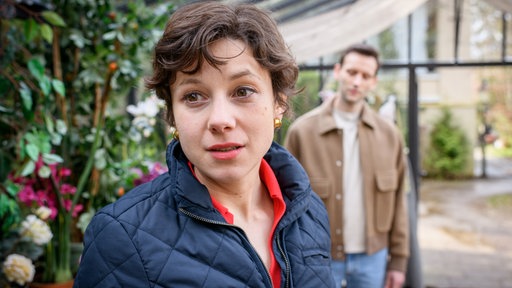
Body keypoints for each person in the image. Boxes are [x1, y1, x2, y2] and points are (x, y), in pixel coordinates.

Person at [73, 2, 334, 287]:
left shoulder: (307, 210)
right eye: (194, 96)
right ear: (172, 114)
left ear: (278, 103)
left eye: (243, 91)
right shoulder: (121, 238)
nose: (220, 120)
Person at [284, 43, 409, 288]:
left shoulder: (390, 135)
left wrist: (399, 262)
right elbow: (285, 201)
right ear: (338, 71)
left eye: (365, 76)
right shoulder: (302, 132)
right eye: (352, 72)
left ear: (374, 81)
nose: (356, 82)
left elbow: (399, 203)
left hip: (373, 258)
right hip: (318, 256)